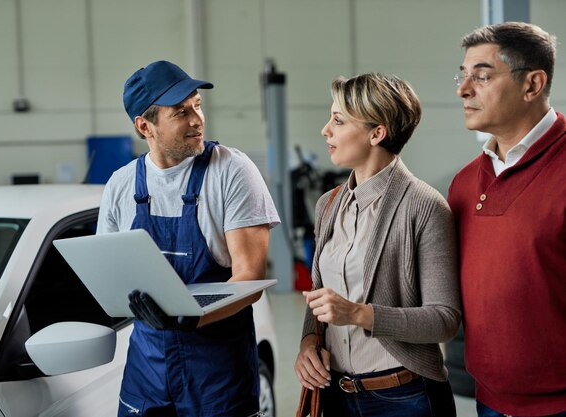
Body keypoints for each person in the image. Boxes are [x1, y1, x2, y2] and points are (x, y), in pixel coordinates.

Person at [97, 60, 280, 417]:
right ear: (144, 125)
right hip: (146, 367)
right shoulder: (120, 185)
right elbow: (111, 278)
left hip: (217, 371)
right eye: (181, 112)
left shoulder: (231, 171)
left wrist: (191, 318)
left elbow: (251, 278)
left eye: (197, 105)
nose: (197, 119)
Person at [293, 73, 461, 416]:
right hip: (337, 394)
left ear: (377, 133)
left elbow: (444, 319)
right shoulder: (328, 204)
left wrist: (359, 313)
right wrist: (309, 341)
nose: (326, 129)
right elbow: (320, 294)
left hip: (404, 397)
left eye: (338, 120)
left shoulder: (425, 206)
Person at [448, 22, 566, 417]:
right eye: (462, 75)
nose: (463, 90)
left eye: (481, 76)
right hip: (490, 401)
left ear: (532, 85)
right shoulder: (464, 183)